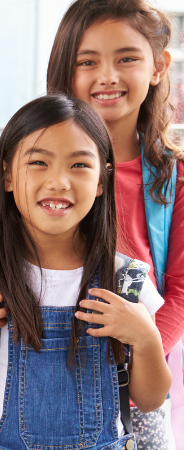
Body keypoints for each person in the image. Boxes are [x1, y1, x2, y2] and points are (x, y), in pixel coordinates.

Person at [0, 94, 172, 450]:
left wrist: (147, 339)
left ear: (102, 181)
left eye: (79, 165)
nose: (59, 181)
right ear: (8, 175)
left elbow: (150, 400)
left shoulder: (127, 280)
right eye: (39, 162)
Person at [46, 0, 184, 445]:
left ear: (159, 66)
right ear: (67, 72)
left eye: (127, 58)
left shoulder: (175, 177)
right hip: (44, 370)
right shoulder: (35, 168)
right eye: (88, 62)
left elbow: (180, 290)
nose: (107, 76)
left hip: (136, 380)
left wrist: (140, 353)